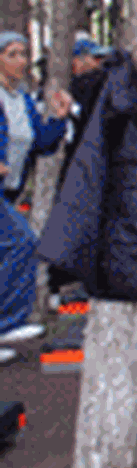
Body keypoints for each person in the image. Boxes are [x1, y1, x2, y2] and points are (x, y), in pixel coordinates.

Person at [38, 42, 137, 330]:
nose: (96, 63)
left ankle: (70, 285)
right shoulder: (100, 90)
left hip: (111, 190)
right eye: (92, 58)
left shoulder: (115, 92)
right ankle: (61, 287)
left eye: (99, 58)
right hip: (102, 186)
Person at [0, 31, 70, 362]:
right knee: (22, 242)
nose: (21, 61)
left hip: (8, 191)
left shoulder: (22, 100)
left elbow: (42, 143)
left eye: (24, 54)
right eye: (12, 54)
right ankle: (7, 321)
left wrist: (58, 117)